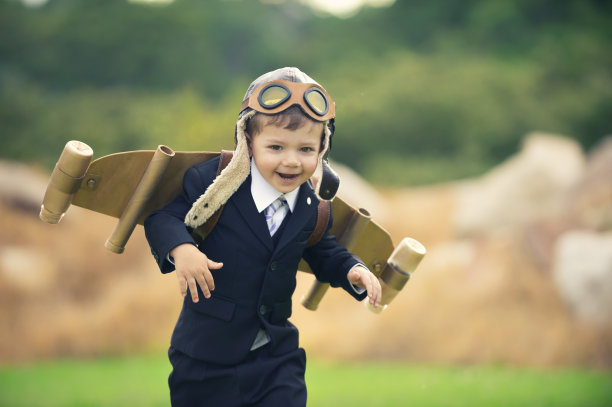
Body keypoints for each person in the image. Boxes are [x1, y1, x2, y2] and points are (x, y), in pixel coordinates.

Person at [144, 67, 381, 407]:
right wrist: (182, 249)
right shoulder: (215, 183)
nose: (291, 161)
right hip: (205, 358)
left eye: (305, 150)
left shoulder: (312, 205)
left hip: (276, 357)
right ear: (248, 142)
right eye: (276, 147)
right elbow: (162, 218)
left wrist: (350, 270)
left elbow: (321, 248)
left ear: (321, 150)